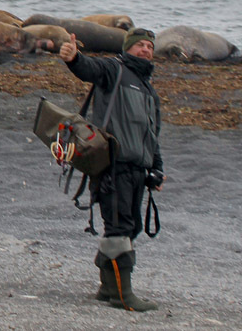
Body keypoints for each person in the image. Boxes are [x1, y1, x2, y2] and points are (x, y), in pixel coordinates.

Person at [58, 27, 164, 312]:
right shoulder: (113, 70)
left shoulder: (148, 89)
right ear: (127, 47)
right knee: (119, 228)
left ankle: (107, 288)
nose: (145, 50)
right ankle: (123, 295)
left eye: (149, 46)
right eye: (140, 45)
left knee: (131, 227)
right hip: (113, 166)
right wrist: (73, 58)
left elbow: (151, 134)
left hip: (137, 169)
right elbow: (88, 68)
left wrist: (157, 169)